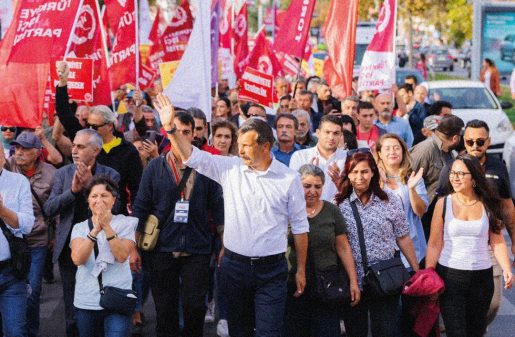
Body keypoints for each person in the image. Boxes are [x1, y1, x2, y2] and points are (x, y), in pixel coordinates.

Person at [153, 93, 309, 337]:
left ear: (266, 147)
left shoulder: (289, 179)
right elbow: (190, 156)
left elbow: (300, 227)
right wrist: (170, 128)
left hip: (272, 271)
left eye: (246, 145)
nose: (240, 149)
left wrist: (300, 269)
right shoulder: (230, 168)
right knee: (239, 331)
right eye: (240, 144)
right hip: (234, 269)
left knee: (269, 332)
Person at [133, 111, 224, 337]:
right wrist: (133, 247)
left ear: (194, 134)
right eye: (177, 131)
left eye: (186, 132)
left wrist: (224, 243)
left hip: (197, 248)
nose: (181, 136)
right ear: (167, 133)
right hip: (162, 248)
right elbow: (141, 207)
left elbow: (219, 207)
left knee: (195, 307)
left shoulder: (207, 165)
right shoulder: (155, 167)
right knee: (165, 311)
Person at [436, 119, 515, 328]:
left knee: (488, 311)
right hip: (452, 265)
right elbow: (436, 234)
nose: (474, 146)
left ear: (488, 142)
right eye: (469, 141)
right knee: (457, 327)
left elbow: (506, 210)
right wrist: (430, 270)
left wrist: (511, 251)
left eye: (480, 141)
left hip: (485, 257)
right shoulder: (451, 174)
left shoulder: (497, 171)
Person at [425, 154, 513, 337]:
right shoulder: (444, 203)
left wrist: (506, 269)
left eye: (461, 174)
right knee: (456, 331)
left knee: (476, 331)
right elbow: (434, 243)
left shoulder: (487, 203)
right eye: (452, 173)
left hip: (481, 279)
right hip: (450, 276)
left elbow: (496, 240)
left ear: (473, 178)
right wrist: (430, 273)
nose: (454, 177)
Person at [334, 149, 419, 337]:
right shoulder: (340, 204)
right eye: (354, 172)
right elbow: (340, 245)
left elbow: (403, 236)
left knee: (386, 331)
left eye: (364, 171)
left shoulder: (389, 200)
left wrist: (416, 271)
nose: (360, 177)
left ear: (373, 172)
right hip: (354, 280)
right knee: (356, 331)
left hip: (385, 278)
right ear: (347, 174)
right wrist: (352, 280)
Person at [44, 129, 121, 337]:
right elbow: (49, 209)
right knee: (73, 311)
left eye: (80, 146)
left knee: (102, 305)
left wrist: (89, 185)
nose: (74, 150)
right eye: (74, 145)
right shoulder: (63, 173)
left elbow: (117, 209)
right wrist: (72, 192)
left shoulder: (110, 175)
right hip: (72, 251)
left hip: (103, 250)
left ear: (95, 150)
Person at [284, 164, 360, 337]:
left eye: (317, 186)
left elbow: (343, 247)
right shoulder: (287, 210)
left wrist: (353, 281)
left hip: (327, 284)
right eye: (307, 186)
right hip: (293, 283)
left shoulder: (331, 210)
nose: (312, 191)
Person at [70, 176, 137, 337]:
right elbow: (78, 259)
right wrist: (94, 231)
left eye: (104, 195)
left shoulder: (126, 223)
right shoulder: (79, 228)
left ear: (113, 200)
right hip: (86, 301)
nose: (99, 200)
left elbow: (121, 256)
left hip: (117, 299)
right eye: (94, 196)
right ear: (88, 201)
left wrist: (106, 226)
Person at [7, 132, 57, 337]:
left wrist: (54, 237)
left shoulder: (51, 174)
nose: (19, 152)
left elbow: (56, 211)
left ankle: (30, 332)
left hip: (37, 240)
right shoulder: (6, 167)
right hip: (11, 239)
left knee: (32, 291)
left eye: (25, 149)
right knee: (13, 291)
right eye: (17, 148)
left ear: (37, 153)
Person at [376, 134, 428, 267]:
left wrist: (411, 189)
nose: (392, 152)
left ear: (403, 152)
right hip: (384, 248)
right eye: (387, 148)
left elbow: (421, 211)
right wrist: (379, 182)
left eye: (396, 148)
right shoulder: (372, 179)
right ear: (379, 153)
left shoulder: (413, 177)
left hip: (412, 245)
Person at [410, 115, 464, 241]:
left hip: (439, 212)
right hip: (421, 216)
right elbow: (405, 178)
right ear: (455, 138)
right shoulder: (425, 149)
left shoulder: (449, 152)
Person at [0, 141, 35, 337]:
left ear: (3, 157)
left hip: (11, 272)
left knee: (15, 331)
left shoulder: (18, 182)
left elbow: (28, 224)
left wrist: (3, 211)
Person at [290, 115, 347, 202]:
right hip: (306, 211)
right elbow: (293, 190)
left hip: (338, 212)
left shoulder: (347, 158)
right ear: (318, 133)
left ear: (341, 135)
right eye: (327, 132)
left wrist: (341, 184)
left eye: (336, 133)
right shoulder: (300, 156)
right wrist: (308, 175)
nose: (331, 137)